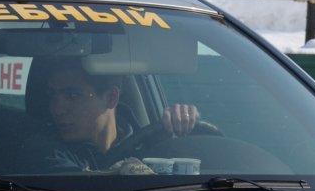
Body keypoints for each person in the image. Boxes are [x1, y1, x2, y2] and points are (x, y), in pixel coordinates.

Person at [38, 58, 199, 172]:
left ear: (111, 98)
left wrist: (183, 124)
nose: (57, 109)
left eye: (72, 96)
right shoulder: (45, 153)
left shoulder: (153, 144)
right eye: (52, 95)